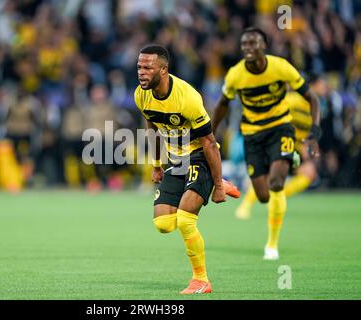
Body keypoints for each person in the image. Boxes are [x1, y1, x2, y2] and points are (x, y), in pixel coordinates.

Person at [134, 44, 239, 294]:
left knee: (185, 220)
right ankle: (218, 181)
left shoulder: (188, 98)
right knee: (163, 224)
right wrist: (157, 164)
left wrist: (217, 187)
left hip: (200, 157)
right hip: (175, 161)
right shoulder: (141, 94)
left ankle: (201, 279)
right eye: (139, 67)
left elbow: (210, 143)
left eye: (148, 67)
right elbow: (153, 127)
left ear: (163, 69)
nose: (142, 72)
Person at [211, 27, 321, 260]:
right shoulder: (235, 74)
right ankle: (288, 158)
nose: (249, 48)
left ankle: (272, 244)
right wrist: (210, 133)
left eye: (254, 43)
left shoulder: (280, 67)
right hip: (252, 135)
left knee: (276, 183)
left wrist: (314, 131)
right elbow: (223, 104)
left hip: (280, 128)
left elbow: (311, 97)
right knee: (262, 195)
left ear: (264, 46)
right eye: (245, 44)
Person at [236, 74, 325, 220]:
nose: (325, 87)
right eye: (322, 83)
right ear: (312, 86)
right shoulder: (291, 101)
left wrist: (305, 148)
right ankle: (246, 205)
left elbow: (305, 133)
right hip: (277, 142)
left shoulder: (314, 109)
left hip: (294, 148)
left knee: (309, 173)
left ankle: (277, 197)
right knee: (266, 175)